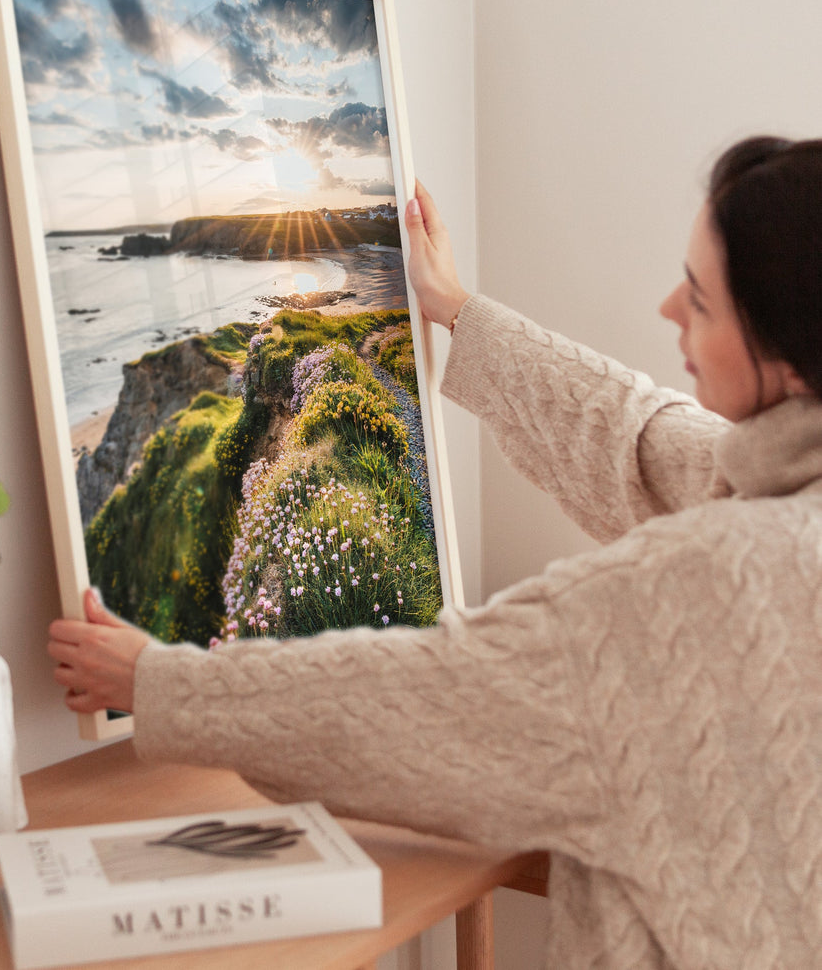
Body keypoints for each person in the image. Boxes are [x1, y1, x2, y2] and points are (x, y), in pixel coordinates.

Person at [48, 136, 822, 969]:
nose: (669, 307)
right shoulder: (782, 490)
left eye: (702, 301)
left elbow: (428, 697)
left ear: (787, 357)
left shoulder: (701, 586)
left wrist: (156, 683)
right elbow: (638, 437)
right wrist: (455, 309)